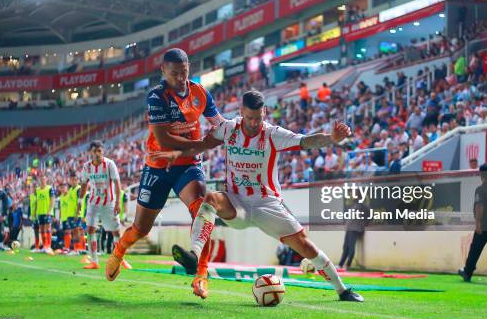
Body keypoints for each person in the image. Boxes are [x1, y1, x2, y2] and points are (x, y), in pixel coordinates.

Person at [154, 90, 364, 302]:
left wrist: (331, 139)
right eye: (250, 118)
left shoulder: (272, 134)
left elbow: (306, 141)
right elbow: (203, 145)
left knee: (305, 245)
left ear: (264, 112)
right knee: (210, 199)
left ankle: (342, 290)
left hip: (267, 204)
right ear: (241, 111)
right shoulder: (228, 129)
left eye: (259, 118)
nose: (254, 123)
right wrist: (178, 154)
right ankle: (194, 256)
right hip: (237, 203)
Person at [106, 48, 224, 299]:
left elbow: (219, 123)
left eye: (184, 72)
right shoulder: (156, 96)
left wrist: (232, 132)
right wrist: (201, 145)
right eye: (174, 74)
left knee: (202, 209)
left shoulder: (200, 92)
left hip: (188, 165)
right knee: (141, 228)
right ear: (163, 71)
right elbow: (163, 138)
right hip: (159, 166)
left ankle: (201, 275)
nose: (181, 78)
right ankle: (118, 251)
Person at [80, 141, 131, 270]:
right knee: (90, 229)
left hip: (109, 202)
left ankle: (121, 259)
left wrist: (118, 203)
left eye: (100, 151)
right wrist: (80, 202)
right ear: (90, 152)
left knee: (115, 231)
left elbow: (117, 184)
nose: (97, 154)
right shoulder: (86, 167)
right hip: (93, 203)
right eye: (95, 151)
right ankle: (94, 261)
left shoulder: (109, 164)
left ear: (103, 152)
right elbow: (84, 184)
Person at [36, 175, 55, 254]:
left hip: (47, 212)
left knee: (48, 229)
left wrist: (49, 211)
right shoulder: (37, 189)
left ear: (46, 179)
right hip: (40, 212)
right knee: (42, 230)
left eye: (44, 179)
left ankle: (49, 246)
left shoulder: (50, 188)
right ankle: (44, 246)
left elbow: (52, 200)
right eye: (41, 179)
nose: (42, 180)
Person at [59, 182, 77, 253]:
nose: (62, 189)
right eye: (61, 188)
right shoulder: (61, 197)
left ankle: (71, 248)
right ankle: (67, 247)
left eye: (64, 188)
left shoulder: (69, 195)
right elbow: (61, 207)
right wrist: (60, 217)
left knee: (70, 232)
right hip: (63, 217)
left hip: (69, 216)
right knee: (66, 232)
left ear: (67, 188)